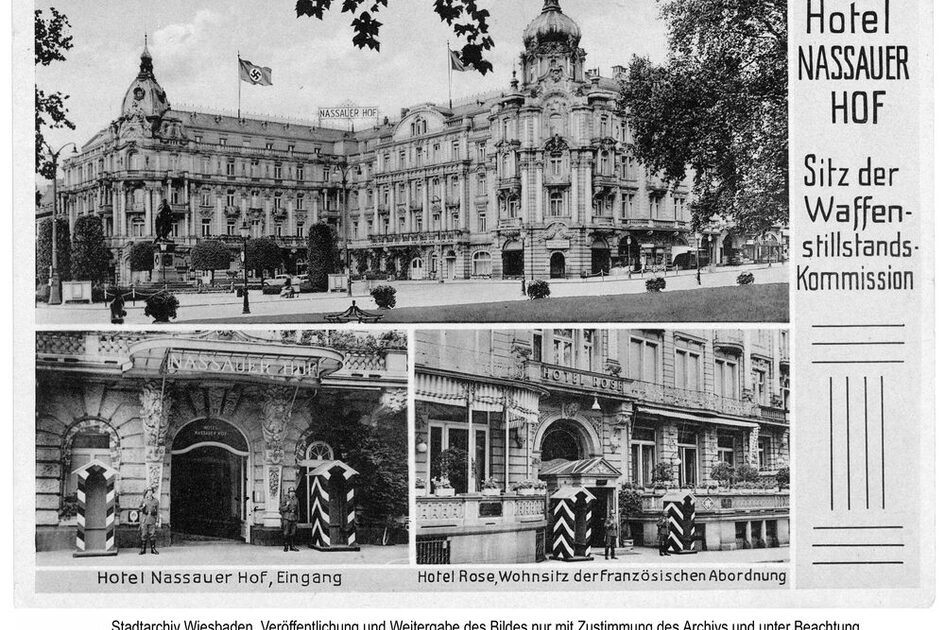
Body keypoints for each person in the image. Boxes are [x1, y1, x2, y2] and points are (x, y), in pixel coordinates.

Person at [138, 487, 160, 555]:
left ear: (152, 492)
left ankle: (153, 549)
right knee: (144, 534)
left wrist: (157, 520)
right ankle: (143, 549)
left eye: (151, 491)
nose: (149, 493)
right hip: (145, 518)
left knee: (152, 534)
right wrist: (143, 507)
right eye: (148, 491)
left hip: (152, 518)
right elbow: (139, 509)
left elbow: (158, 511)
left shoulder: (156, 501)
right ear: (146, 493)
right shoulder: (143, 500)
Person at [280, 487, 300, 552]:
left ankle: (292, 546)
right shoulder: (285, 499)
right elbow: (281, 509)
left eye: (293, 492)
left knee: (293, 533)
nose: (292, 493)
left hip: (294, 517)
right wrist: (287, 505)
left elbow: (298, 510)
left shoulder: (296, 499)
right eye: (291, 492)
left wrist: (298, 519)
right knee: (286, 533)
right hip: (286, 517)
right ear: (288, 493)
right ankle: (286, 546)